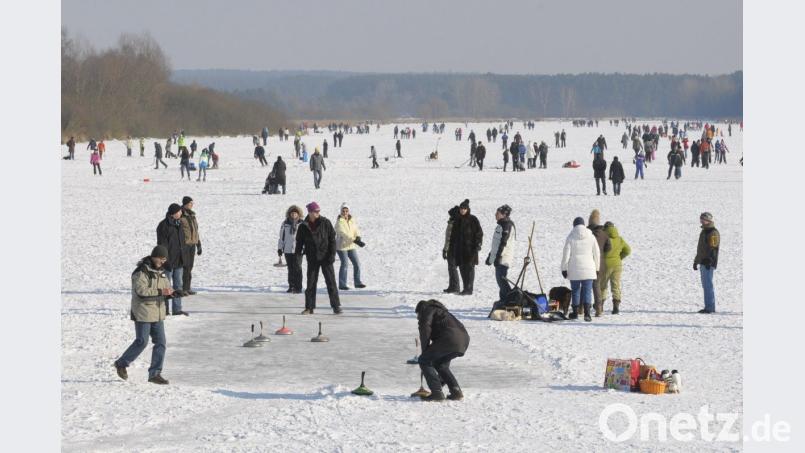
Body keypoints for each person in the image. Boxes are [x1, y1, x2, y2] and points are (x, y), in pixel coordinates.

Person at [113, 245, 173, 385]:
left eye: (164, 259)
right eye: (160, 258)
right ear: (154, 256)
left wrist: (173, 293)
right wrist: (161, 292)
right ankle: (121, 363)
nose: (162, 261)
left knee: (161, 343)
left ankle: (155, 373)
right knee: (142, 341)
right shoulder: (141, 272)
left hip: (157, 313)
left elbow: (164, 289)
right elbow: (141, 292)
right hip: (143, 312)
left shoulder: (162, 271)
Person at [415, 299, 470, 402]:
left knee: (424, 360)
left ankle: (436, 393)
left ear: (421, 310)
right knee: (441, 365)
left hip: (449, 338)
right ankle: (456, 391)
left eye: (418, 315)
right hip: (463, 340)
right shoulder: (443, 312)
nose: (418, 317)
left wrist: (425, 352)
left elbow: (425, 328)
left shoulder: (428, 309)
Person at [295, 202, 342, 314]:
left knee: (331, 282)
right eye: (316, 211)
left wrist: (332, 255)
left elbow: (332, 240)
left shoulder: (325, 222)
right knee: (311, 283)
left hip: (326, 258)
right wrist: (298, 255)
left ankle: (336, 306)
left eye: (318, 211)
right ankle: (309, 307)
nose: (318, 213)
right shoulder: (303, 226)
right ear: (310, 212)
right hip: (312, 258)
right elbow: (299, 242)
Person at [561, 217, 601, 322]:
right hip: (589, 268)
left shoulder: (570, 237)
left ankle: (575, 313)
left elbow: (566, 254)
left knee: (575, 291)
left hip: (574, 268)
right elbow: (597, 253)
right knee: (587, 291)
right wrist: (597, 268)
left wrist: (564, 269)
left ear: (574, 225)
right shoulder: (591, 236)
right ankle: (587, 314)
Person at [156, 203, 188, 316]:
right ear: (173, 213)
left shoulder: (179, 223)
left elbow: (182, 243)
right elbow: (162, 246)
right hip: (168, 262)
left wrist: (184, 257)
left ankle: (177, 309)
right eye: (179, 211)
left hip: (179, 261)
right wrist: (165, 261)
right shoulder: (163, 226)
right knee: (166, 286)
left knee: (178, 285)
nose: (181, 213)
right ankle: (164, 310)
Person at [450, 199, 483, 295]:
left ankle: (469, 289)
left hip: (470, 249)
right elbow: (453, 235)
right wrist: (452, 248)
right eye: (461, 208)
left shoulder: (473, 219)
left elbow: (479, 233)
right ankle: (465, 288)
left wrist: (478, 245)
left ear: (468, 209)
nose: (462, 210)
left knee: (469, 269)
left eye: (464, 208)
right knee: (462, 268)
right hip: (459, 250)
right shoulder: (457, 220)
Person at [485, 205, 515, 303]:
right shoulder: (501, 225)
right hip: (499, 257)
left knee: (501, 280)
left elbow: (503, 243)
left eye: (497, 213)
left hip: (503, 258)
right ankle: (503, 300)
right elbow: (496, 244)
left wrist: (498, 257)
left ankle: (510, 300)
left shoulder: (507, 225)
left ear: (504, 214)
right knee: (500, 281)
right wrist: (491, 257)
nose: (495, 215)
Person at [600, 221, 630, 315]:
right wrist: (619, 257)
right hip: (617, 265)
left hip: (605, 265)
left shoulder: (603, 238)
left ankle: (600, 306)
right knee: (616, 286)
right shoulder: (620, 239)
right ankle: (616, 308)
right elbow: (628, 250)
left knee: (603, 286)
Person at [335, 202, 366, 290]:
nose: (345, 212)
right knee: (344, 264)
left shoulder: (352, 220)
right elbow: (343, 234)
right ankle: (342, 284)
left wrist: (358, 237)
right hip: (342, 246)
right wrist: (354, 240)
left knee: (357, 263)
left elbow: (356, 229)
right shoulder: (339, 222)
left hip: (351, 245)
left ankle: (357, 282)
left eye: (346, 211)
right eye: (343, 211)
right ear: (341, 211)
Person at [693, 212, 720, 313]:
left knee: (708, 285)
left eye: (703, 219)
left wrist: (710, 260)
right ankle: (708, 306)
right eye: (701, 219)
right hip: (702, 262)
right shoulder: (704, 231)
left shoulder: (713, 232)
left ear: (708, 220)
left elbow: (714, 247)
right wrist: (696, 261)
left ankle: (710, 308)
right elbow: (701, 249)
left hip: (708, 263)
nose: (701, 221)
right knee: (705, 285)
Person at [588, 210, 611, 317]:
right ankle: (599, 308)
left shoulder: (587, 233)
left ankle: (582, 308)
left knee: (585, 286)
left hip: (587, 262)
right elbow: (608, 248)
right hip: (600, 264)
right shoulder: (604, 234)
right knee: (596, 286)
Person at [278, 205, 304, 293]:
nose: (293, 215)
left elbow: (306, 237)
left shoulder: (302, 224)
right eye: (292, 213)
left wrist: (305, 248)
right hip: (287, 249)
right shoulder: (285, 223)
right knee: (290, 268)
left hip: (298, 249)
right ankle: (291, 286)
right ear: (289, 214)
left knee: (298, 268)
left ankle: (298, 287)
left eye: (295, 213)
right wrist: (280, 248)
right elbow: (281, 237)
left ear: (298, 214)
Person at [179, 196, 202, 295]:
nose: (192, 205)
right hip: (184, 245)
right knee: (185, 266)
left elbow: (195, 230)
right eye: (190, 203)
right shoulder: (180, 215)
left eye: (192, 203)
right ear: (185, 204)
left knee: (190, 266)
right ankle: (182, 288)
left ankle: (187, 287)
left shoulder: (192, 215)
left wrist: (198, 243)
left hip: (192, 244)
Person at [442, 205, 461, 294]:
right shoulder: (452, 222)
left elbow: (449, 238)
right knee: (451, 268)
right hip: (451, 248)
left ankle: (455, 287)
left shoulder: (455, 223)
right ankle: (452, 286)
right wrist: (445, 249)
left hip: (453, 249)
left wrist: (446, 249)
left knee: (452, 268)